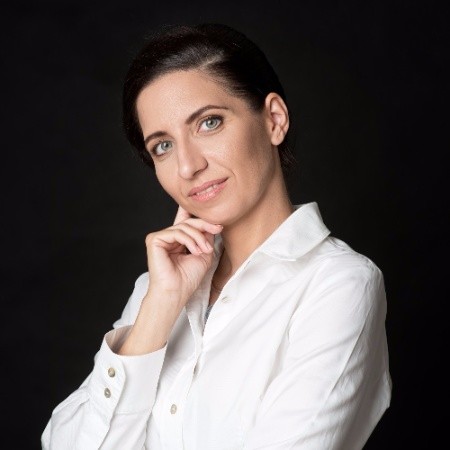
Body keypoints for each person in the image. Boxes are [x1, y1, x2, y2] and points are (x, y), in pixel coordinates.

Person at [42, 23, 392, 449]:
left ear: (274, 119)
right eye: (163, 146)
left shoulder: (339, 284)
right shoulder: (157, 290)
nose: (188, 166)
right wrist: (159, 310)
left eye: (209, 123)